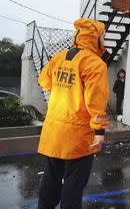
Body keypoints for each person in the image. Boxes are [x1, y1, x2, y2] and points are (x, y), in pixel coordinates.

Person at [37, 18, 109, 209]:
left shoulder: (59, 57)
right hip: (78, 134)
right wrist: (100, 133)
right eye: (103, 37)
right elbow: (96, 102)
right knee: (73, 184)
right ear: (96, 38)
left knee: (51, 178)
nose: (104, 40)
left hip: (54, 130)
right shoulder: (95, 64)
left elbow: (44, 82)